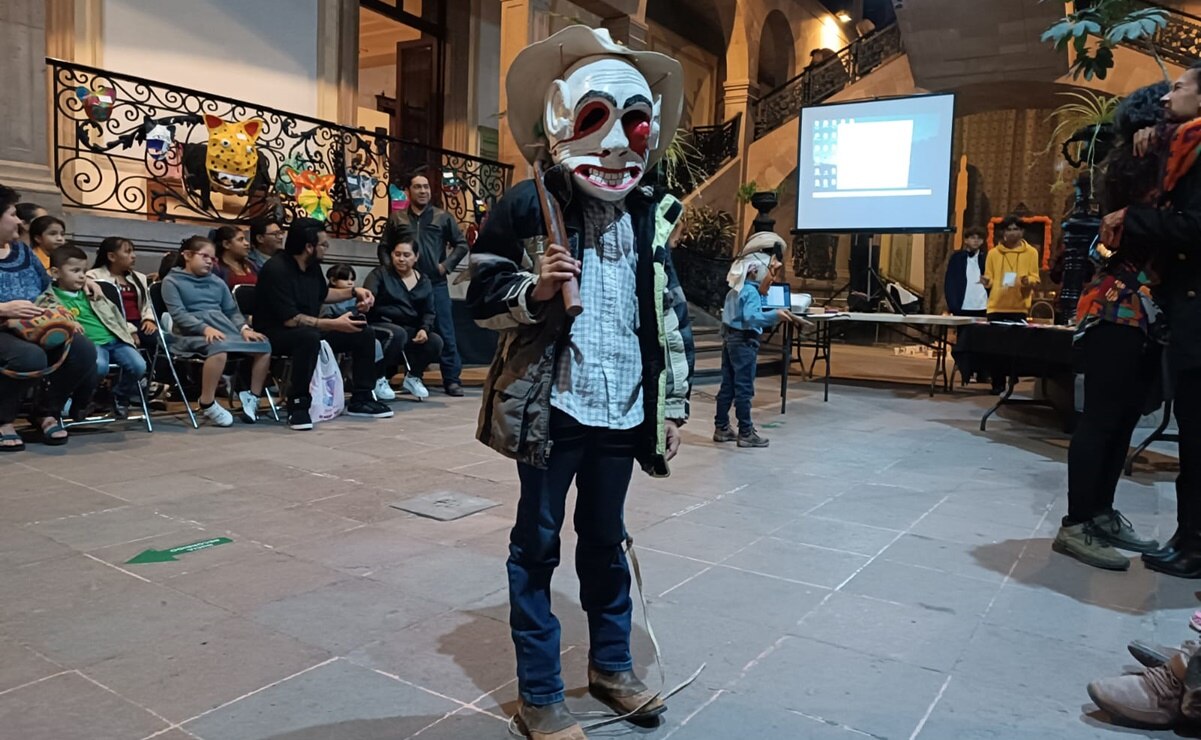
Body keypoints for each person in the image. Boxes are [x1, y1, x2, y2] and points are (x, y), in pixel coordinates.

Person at [467, 26, 691, 739]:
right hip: (550, 407)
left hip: (621, 407)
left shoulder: (651, 214)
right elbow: (477, 294)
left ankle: (611, 667)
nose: (621, 143)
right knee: (535, 546)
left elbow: (667, 314)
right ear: (562, 117)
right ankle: (539, 694)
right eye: (597, 119)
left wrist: (672, 403)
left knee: (604, 539)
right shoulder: (526, 205)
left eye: (635, 121)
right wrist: (533, 291)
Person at [1051, 83, 1167, 572]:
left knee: (1122, 421)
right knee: (1100, 418)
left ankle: (1101, 513)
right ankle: (1076, 523)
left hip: (1147, 311)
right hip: (1118, 307)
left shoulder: (1163, 155)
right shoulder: (1133, 163)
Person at [1099, 60, 1201, 579]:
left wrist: (1130, 216)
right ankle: (1188, 538)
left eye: (1179, 88)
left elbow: (1192, 226)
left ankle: (1194, 546)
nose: (1166, 97)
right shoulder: (1177, 148)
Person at [255, 217, 393, 430]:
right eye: (323, 244)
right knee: (308, 338)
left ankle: (362, 398)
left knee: (363, 332)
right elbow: (291, 319)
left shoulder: (311, 267)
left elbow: (324, 293)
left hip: (310, 328)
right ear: (309, 247)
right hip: (276, 332)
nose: (326, 248)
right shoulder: (276, 270)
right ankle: (298, 406)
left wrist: (354, 292)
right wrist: (334, 324)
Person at [0, 185, 98, 448]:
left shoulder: (22, 252)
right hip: (2, 327)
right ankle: (3, 419)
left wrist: (84, 281)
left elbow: (48, 286)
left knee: (84, 349)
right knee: (29, 356)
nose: (19, 222)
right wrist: (3, 309)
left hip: (35, 324)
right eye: (12, 214)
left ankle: (46, 411)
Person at [161, 236, 272, 426]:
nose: (209, 262)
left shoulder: (217, 282)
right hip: (190, 334)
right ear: (187, 255)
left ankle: (253, 397)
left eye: (213, 259)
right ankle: (207, 400)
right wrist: (204, 328)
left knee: (263, 345)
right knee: (218, 347)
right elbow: (179, 314)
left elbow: (231, 311)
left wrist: (244, 329)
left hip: (223, 329)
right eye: (204, 256)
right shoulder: (172, 281)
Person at [377, 171, 469, 396]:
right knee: (402, 330)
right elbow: (384, 247)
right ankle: (388, 376)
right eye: (418, 187)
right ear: (408, 191)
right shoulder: (397, 219)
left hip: (435, 283)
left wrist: (445, 266)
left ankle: (451, 380)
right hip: (402, 286)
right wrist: (390, 271)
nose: (423, 191)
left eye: (426, 187)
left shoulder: (442, 217)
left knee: (445, 333)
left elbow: (461, 245)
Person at [713, 233, 800, 448]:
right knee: (744, 388)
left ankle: (722, 427)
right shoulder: (750, 292)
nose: (772, 278)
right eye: (771, 272)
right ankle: (746, 432)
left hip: (731, 340)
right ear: (754, 271)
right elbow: (752, 317)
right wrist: (775, 315)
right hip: (744, 342)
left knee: (728, 386)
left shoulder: (737, 289)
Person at [39, 246, 146, 419]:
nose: (82, 276)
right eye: (75, 271)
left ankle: (119, 395)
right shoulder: (49, 299)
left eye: (84, 271)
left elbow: (114, 314)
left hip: (114, 339)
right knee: (99, 367)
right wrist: (66, 322)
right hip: (91, 344)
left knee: (138, 366)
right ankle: (83, 400)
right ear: (56, 273)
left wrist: (130, 331)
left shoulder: (91, 292)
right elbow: (46, 316)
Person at [364, 239, 442, 402]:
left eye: (406, 255)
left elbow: (429, 311)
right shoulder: (380, 274)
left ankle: (413, 376)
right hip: (380, 324)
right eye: (397, 254)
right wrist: (366, 299)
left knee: (435, 341)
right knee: (397, 334)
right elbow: (368, 294)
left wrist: (424, 329)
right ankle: (378, 378)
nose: (401, 259)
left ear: (416, 257)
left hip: (409, 328)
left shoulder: (424, 281)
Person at [981, 214, 1042, 393]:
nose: (1013, 232)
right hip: (996, 306)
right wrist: (986, 282)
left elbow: (1035, 278)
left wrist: (1026, 281)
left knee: (1015, 348)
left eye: (1016, 229)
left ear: (1022, 231)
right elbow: (990, 277)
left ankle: (1012, 377)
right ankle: (997, 383)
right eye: (1009, 229)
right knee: (995, 349)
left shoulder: (1031, 252)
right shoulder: (993, 253)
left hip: (1019, 306)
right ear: (1003, 232)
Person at [88, 237, 158, 346]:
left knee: (156, 340)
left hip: (139, 323)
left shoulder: (140, 278)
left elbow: (147, 303)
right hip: (112, 324)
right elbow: (101, 309)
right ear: (112, 256)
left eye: (133, 251)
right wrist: (130, 330)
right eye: (127, 252)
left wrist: (149, 319)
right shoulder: (93, 277)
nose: (133, 256)